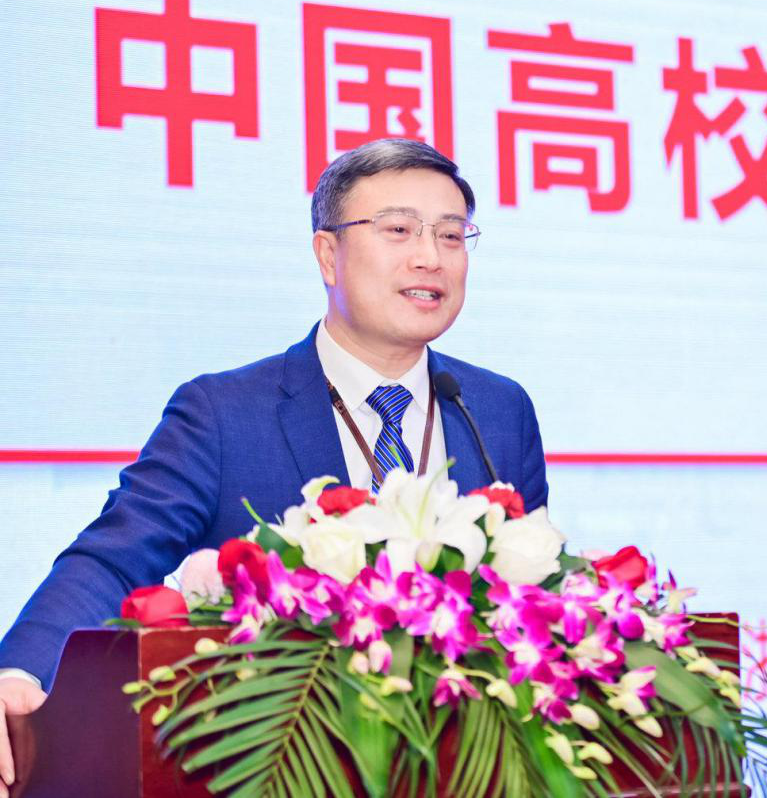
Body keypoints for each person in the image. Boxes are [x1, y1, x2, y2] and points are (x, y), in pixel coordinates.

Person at [0, 139, 548, 795]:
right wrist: (19, 674)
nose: (430, 256)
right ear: (328, 253)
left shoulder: (498, 409)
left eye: (452, 235)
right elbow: (112, 562)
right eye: (399, 230)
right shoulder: (224, 412)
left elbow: (533, 597)